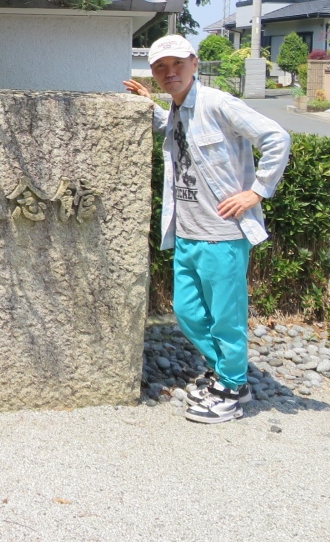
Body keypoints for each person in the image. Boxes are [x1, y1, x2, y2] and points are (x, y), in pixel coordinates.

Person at [123, 35, 290, 424]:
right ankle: (230, 374)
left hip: (223, 234)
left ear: (195, 64)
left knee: (226, 318)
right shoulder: (178, 108)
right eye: (161, 67)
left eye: (178, 64)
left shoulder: (218, 103)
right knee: (187, 312)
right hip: (187, 231)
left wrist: (257, 191)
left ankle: (231, 389)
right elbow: (177, 132)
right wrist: (150, 105)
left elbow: (276, 137)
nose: (170, 72)